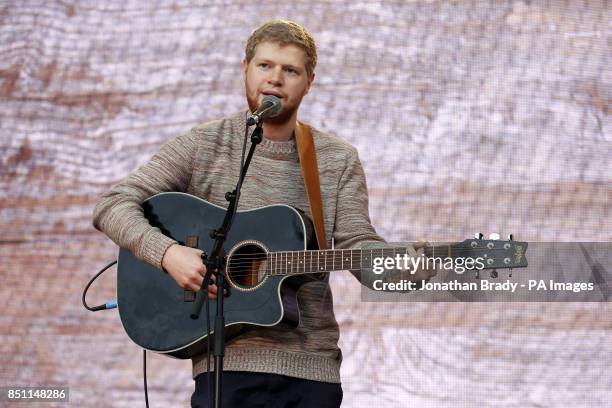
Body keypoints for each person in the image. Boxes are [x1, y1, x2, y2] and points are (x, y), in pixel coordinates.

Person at [93, 19, 433, 407]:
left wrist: (401, 273)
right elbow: (113, 203)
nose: (275, 79)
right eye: (265, 66)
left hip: (310, 368)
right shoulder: (205, 144)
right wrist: (167, 253)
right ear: (245, 69)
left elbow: (358, 244)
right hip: (226, 366)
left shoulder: (336, 159)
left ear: (309, 82)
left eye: (290, 70)